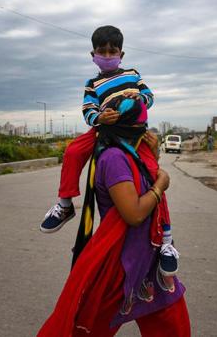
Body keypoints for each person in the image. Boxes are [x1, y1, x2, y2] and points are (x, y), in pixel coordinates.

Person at [38, 97, 190, 337]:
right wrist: (161, 185)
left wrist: (153, 156)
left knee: (174, 328)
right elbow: (135, 213)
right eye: (142, 128)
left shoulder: (132, 155)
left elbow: (143, 182)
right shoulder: (114, 158)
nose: (145, 133)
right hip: (121, 264)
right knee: (88, 329)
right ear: (132, 128)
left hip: (150, 261)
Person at [39, 25, 178, 275]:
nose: (107, 55)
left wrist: (133, 101)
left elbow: (149, 96)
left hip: (136, 132)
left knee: (154, 176)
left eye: (112, 51)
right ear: (93, 55)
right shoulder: (92, 83)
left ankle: (167, 240)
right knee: (72, 151)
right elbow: (88, 111)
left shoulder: (133, 74)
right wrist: (100, 117)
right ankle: (65, 204)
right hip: (105, 130)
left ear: (121, 55)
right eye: (102, 51)